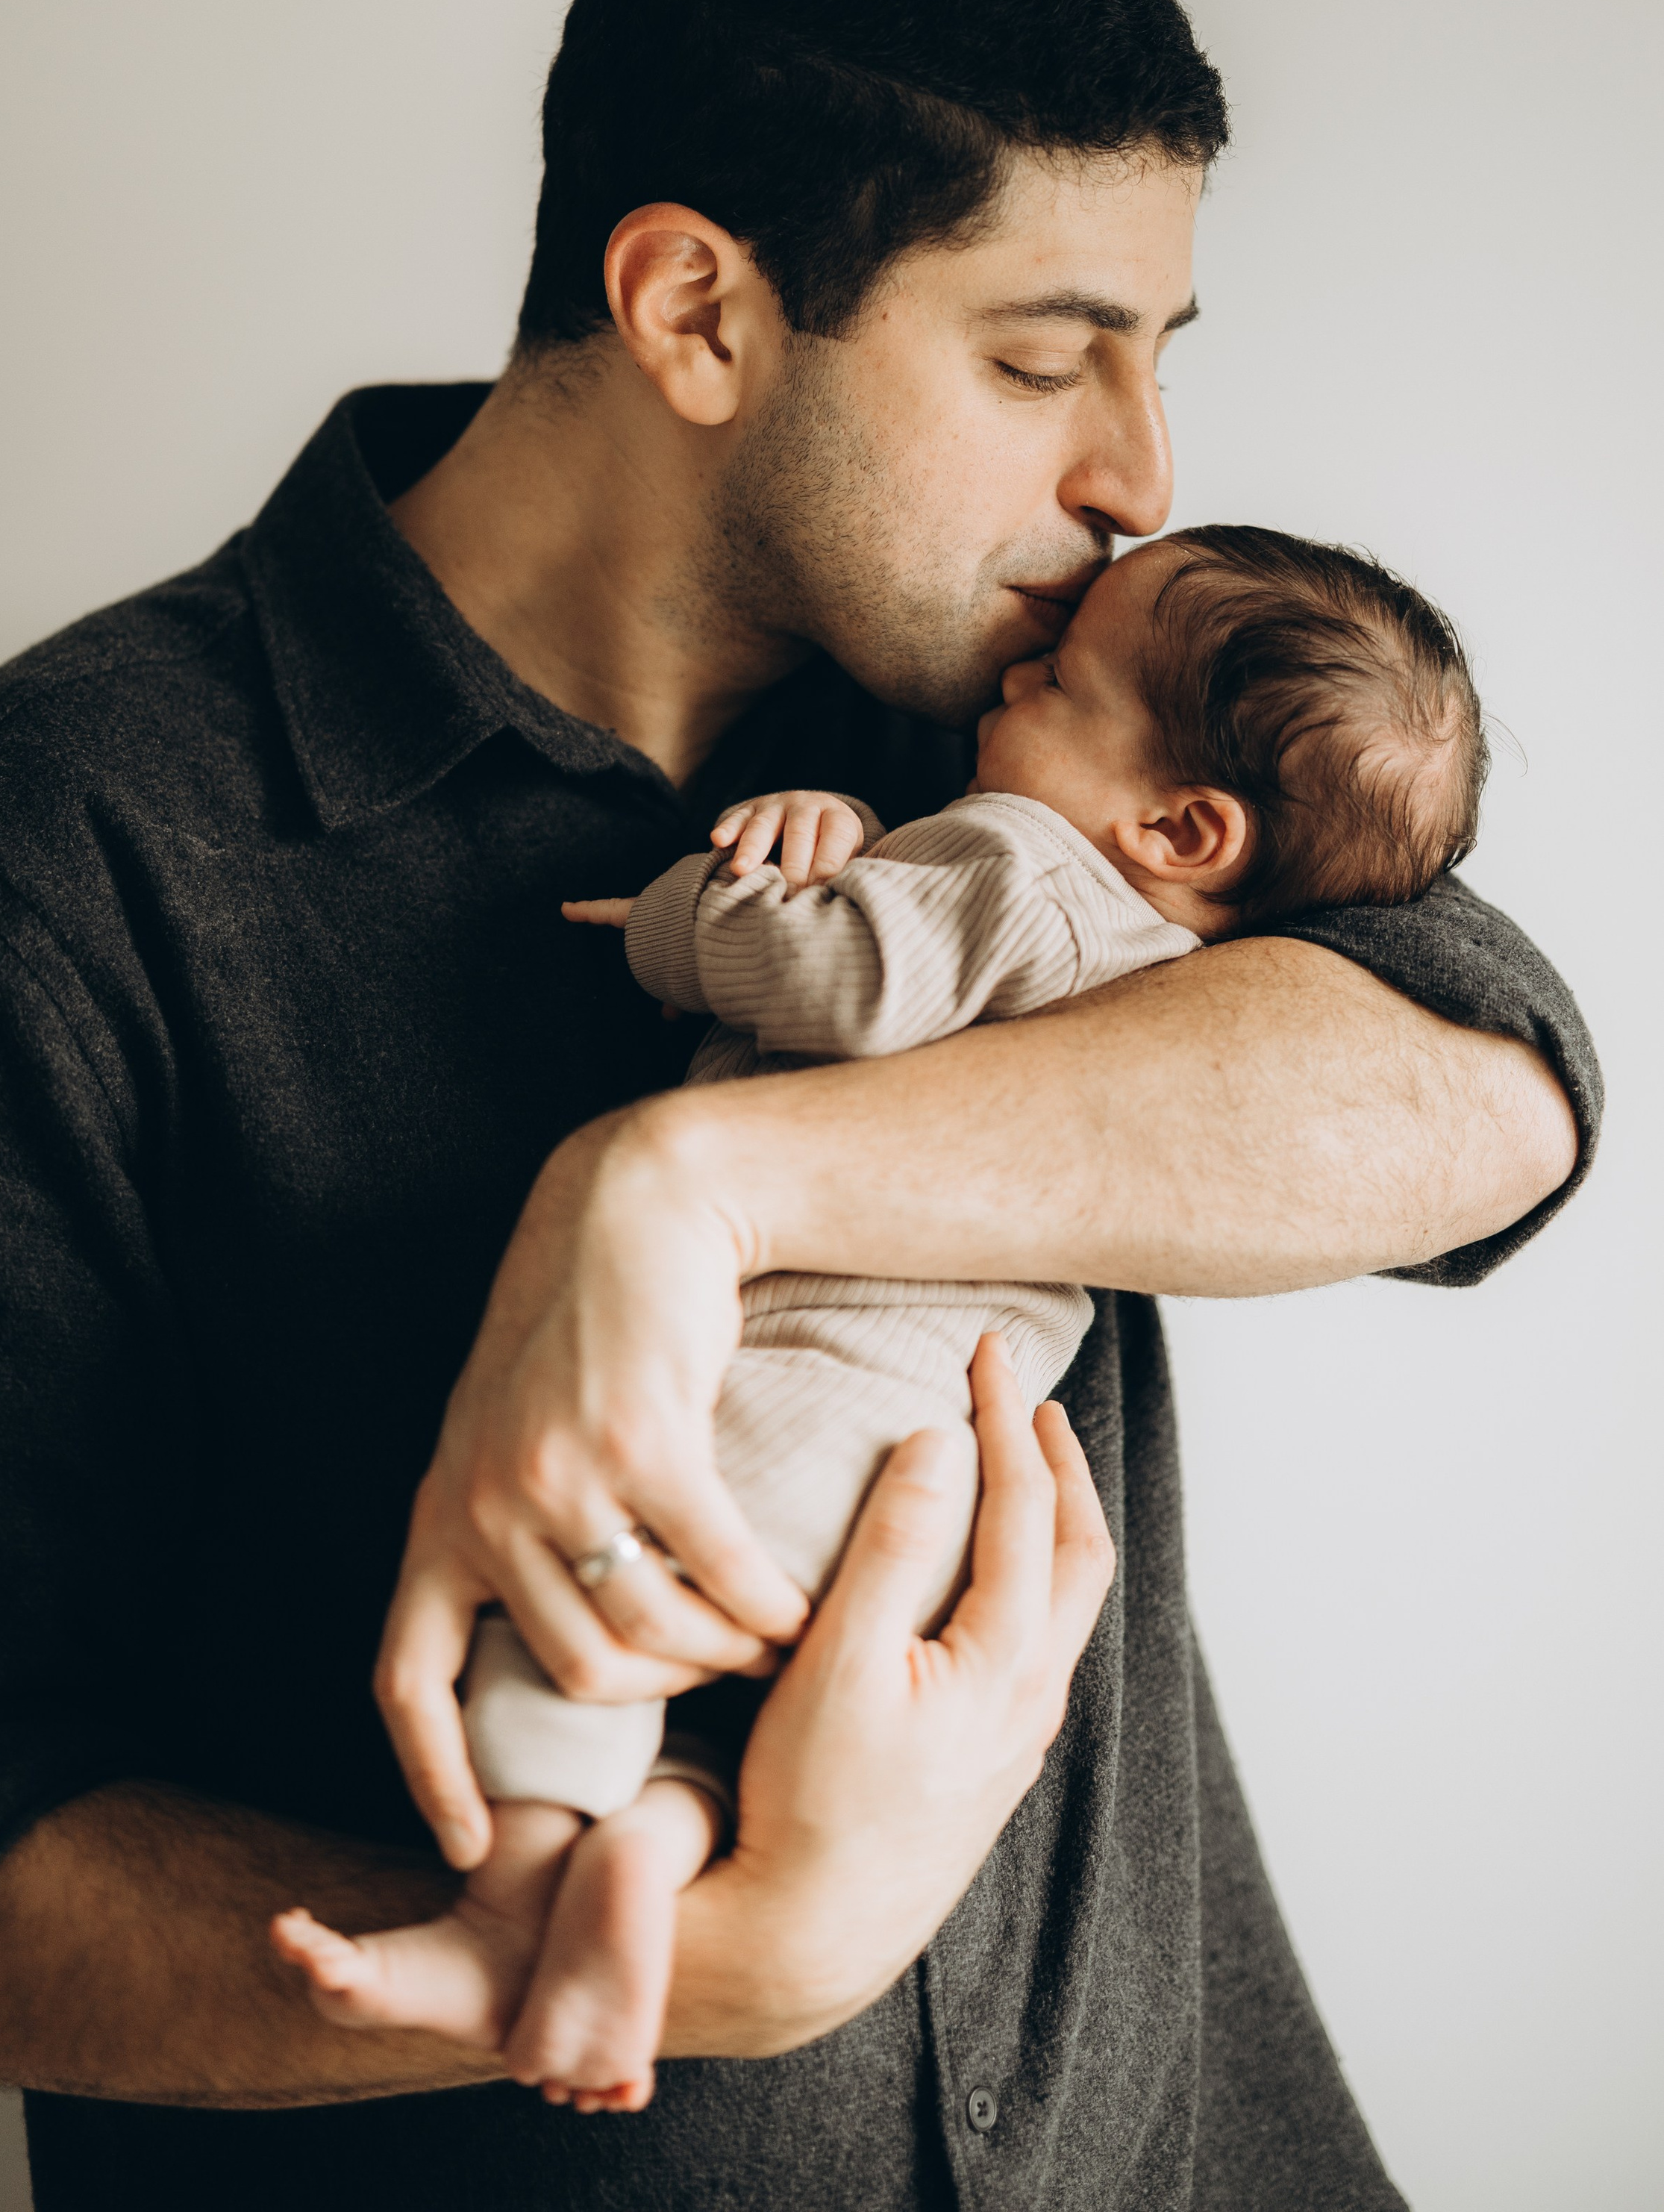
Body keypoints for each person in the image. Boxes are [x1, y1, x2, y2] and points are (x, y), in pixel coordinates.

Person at [0, 0, 1595, 2212]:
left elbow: (1487, 1086)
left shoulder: (1047, 736)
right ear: (697, 311)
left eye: (1159, 359)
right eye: (1045, 359)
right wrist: (691, 1961)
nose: (1140, 481)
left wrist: (689, 1182)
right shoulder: (43, 856)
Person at [272, 524, 1494, 2114]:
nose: (1018, 672)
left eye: (1060, 683)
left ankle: (499, 1921)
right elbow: (924, 947)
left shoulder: (1025, 854)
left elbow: (844, 976)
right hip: (910, 1469)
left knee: (563, 1600)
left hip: (801, 1389)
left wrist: (683, 917)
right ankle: (637, 1868)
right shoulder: (1172, 965)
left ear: (1182, 824)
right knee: (704, 1737)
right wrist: (851, 831)